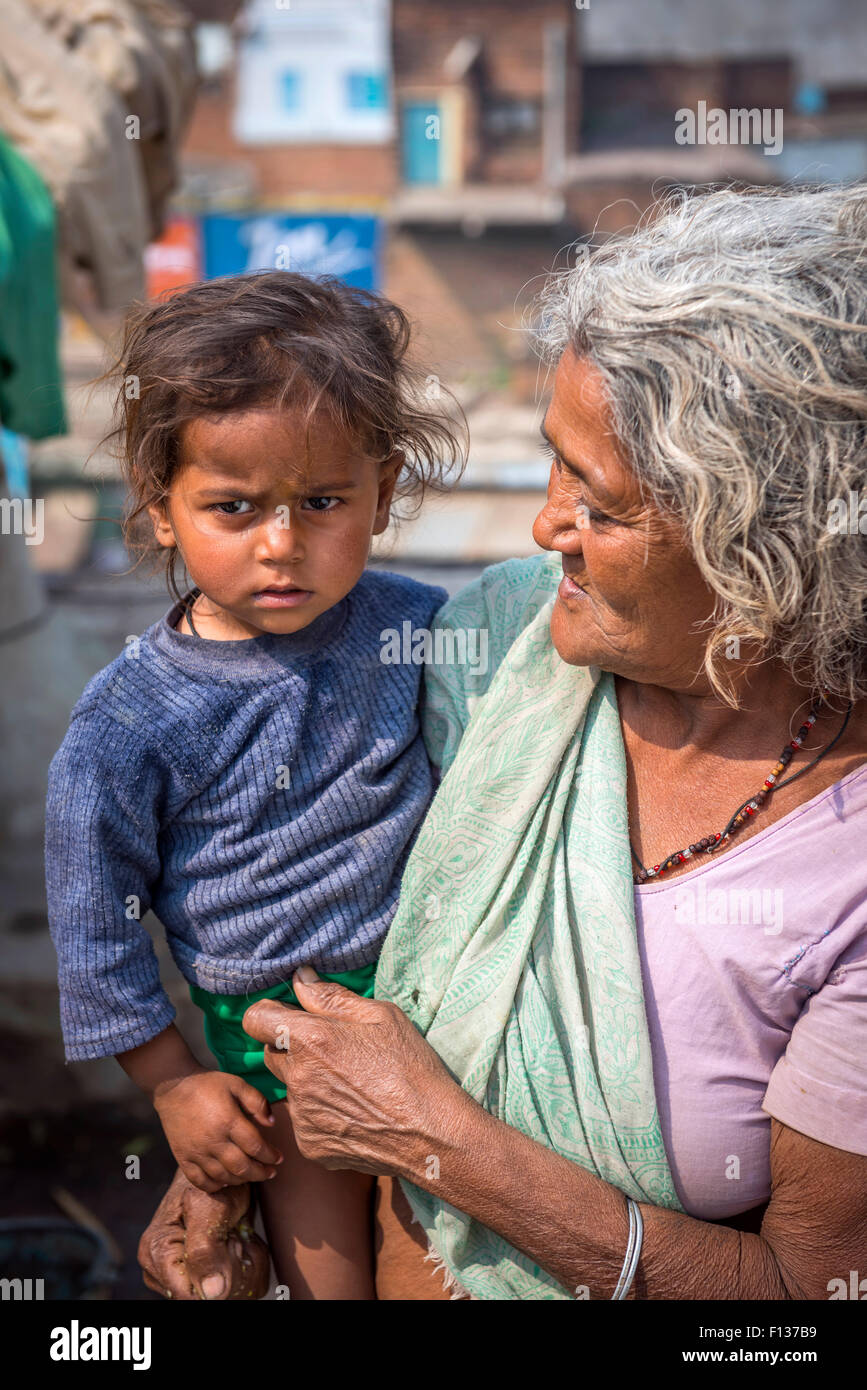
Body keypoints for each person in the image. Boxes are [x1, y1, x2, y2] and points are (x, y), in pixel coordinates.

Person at [139, 182, 867, 1300]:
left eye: (603, 503)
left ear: (767, 549)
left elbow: (804, 1298)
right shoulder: (491, 646)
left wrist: (432, 1137)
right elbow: (310, 899)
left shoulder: (843, 870)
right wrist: (232, 1160)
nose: (545, 526)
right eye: (553, 460)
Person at [44, 270, 466, 1299]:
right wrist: (177, 1083)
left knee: (451, 1252)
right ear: (158, 512)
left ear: (386, 483)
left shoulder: (421, 628)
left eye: (322, 502)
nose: (282, 544)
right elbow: (93, 923)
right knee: (333, 1279)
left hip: (448, 1005)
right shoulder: (131, 718)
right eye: (233, 508)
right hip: (278, 1040)